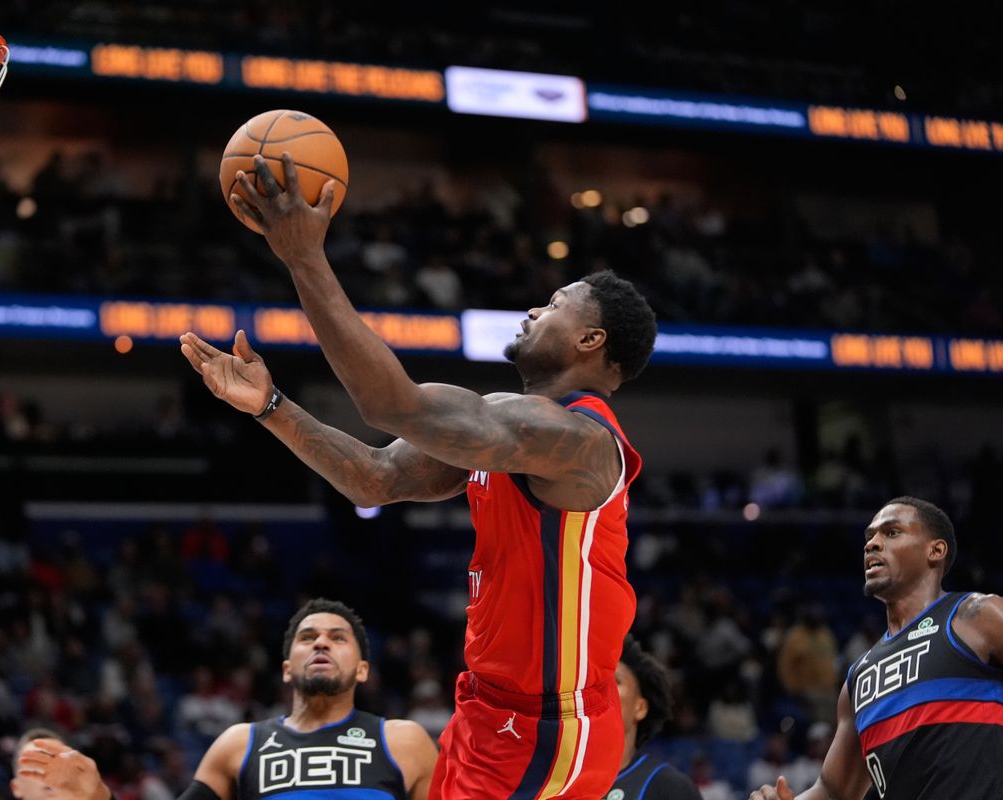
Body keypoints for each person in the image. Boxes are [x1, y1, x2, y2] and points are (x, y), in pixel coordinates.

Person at [179, 154, 657, 799]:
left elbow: (391, 404)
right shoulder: (510, 429)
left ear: (590, 340)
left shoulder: (579, 441)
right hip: (490, 707)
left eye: (552, 305)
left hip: (546, 727)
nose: (532, 310)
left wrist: (304, 258)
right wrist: (271, 407)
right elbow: (375, 478)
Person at [749, 496, 1003, 800]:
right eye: (869, 537)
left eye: (892, 532)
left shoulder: (980, 617)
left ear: (935, 551)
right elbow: (832, 790)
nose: (872, 544)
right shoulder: (859, 677)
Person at [17, 597, 437, 799]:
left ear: (362, 669)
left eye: (338, 638)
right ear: (286, 667)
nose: (321, 643)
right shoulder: (240, 744)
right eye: (307, 637)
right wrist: (98, 795)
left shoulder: (404, 741)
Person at [608, 635, 701, 799]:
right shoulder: (562, 782)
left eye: (616, 681)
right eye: (597, 682)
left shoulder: (669, 787)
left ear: (640, 708)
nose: (601, 690)